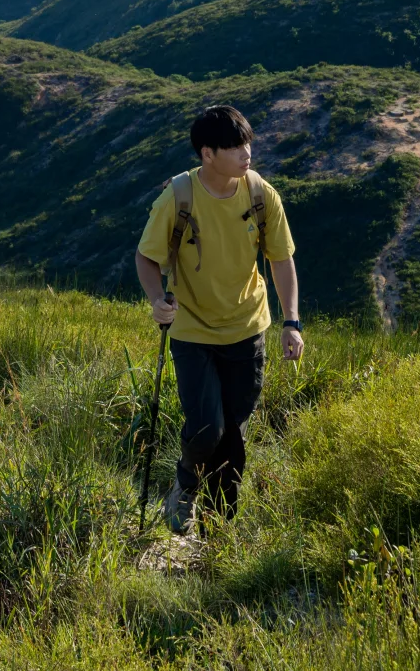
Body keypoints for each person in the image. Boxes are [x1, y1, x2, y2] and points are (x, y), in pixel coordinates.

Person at [135, 103, 303, 534]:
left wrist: (292, 321)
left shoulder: (262, 195)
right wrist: (157, 299)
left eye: (247, 142)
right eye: (234, 146)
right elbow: (146, 257)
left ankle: (220, 526)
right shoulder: (179, 196)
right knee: (208, 426)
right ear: (207, 154)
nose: (247, 152)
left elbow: (281, 259)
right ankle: (186, 486)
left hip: (247, 328)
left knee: (234, 436)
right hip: (191, 330)